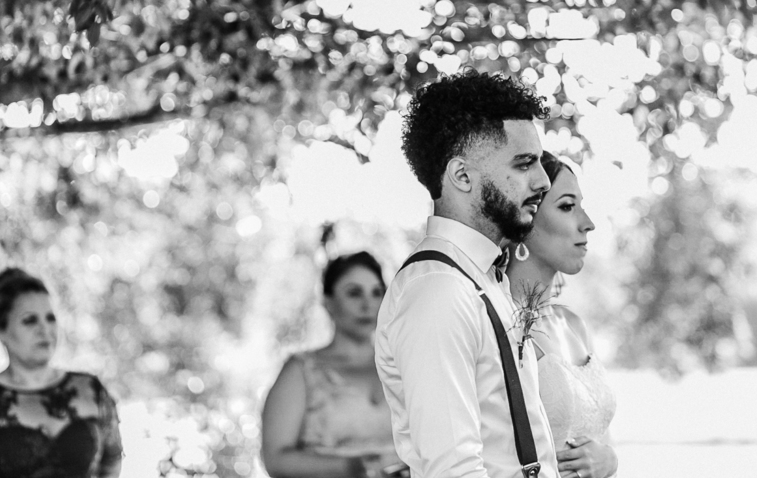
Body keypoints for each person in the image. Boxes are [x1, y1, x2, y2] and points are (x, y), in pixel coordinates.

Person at [375, 70, 557, 478]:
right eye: (524, 164)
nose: (543, 180)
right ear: (461, 176)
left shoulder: (481, 278)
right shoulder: (439, 290)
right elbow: (453, 470)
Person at [505, 154, 617, 478]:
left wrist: (610, 460)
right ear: (525, 218)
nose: (588, 223)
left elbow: (602, 436)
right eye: (567, 206)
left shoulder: (573, 325)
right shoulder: (501, 324)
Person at [261, 252, 403, 478]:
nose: (367, 304)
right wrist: (354, 467)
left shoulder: (402, 366)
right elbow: (276, 460)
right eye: (354, 293)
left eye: (376, 293)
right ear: (328, 302)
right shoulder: (301, 371)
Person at [0, 268, 123, 478]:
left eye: (50, 318)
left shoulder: (89, 388)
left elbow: (112, 464)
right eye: (30, 320)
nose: (45, 330)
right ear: (1, 330)